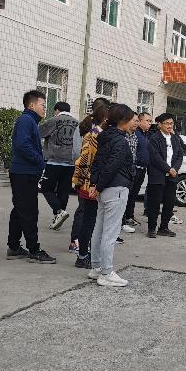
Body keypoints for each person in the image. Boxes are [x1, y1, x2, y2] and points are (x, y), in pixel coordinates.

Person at [87, 104, 135, 286]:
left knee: (99, 230)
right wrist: (98, 186)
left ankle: (96, 267)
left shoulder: (105, 137)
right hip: (116, 189)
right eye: (131, 119)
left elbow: (97, 163)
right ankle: (106, 272)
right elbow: (112, 166)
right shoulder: (120, 141)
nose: (133, 123)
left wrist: (95, 184)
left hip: (105, 190)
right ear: (123, 121)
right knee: (110, 233)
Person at [6, 90, 55, 263]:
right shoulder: (26, 120)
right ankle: (34, 250)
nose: (45, 108)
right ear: (32, 105)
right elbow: (22, 145)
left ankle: (13, 247)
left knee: (20, 210)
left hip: (24, 172)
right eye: (43, 105)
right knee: (29, 212)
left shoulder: (30, 121)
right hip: (23, 173)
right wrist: (39, 161)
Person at [69, 96, 111, 254]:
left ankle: (84, 245)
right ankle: (78, 244)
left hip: (90, 179)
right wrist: (80, 179)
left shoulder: (97, 131)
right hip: (89, 181)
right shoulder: (94, 134)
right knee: (86, 213)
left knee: (88, 214)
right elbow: (82, 156)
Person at [39, 101, 78, 231]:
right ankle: (58, 217)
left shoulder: (54, 120)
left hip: (54, 161)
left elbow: (39, 133)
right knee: (63, 191)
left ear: (56, 110)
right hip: (71, 163)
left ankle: (59, 211)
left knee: (46, 188)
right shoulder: (77, 123)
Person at [146, 113, 184, 238]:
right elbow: (155, 157)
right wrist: (168, 169)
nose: (169, 126)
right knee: (154, 204)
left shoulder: (175, 138)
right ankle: (151, 228)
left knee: (169, 203)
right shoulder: (154, 138)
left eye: (171, 123)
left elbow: (180, 155)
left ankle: (164, 227)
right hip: (157, 175)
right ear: (160, 125)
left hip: (172, 177)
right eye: (167, 123)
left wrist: (174, 169)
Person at [123, 112, 151, 228]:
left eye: (150, 121)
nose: (149, 123)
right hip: (134, 168)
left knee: (134, 194)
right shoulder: (135, 134)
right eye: (147, 121)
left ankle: (130, 215)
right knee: (128, 194)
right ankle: (124, 218)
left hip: (142, 169)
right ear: (140, 121)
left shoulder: (145, 135)